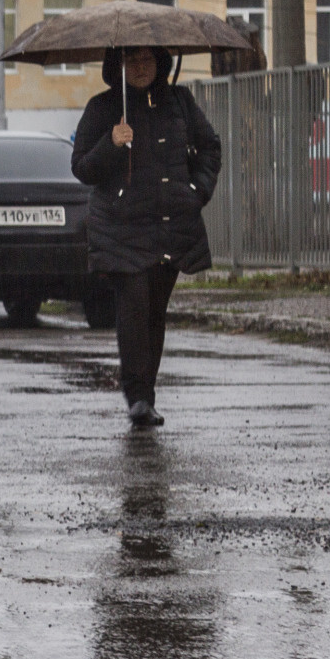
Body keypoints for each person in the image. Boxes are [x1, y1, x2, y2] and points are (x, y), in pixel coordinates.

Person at [70, 45, 220, 431]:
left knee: (154, 311)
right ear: (116, 65)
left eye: (147, 59)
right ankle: (138, 397)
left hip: (170, 223)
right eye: (131, 59)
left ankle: (145, 393)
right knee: (134, 308)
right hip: (121, 227)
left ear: (161, 63)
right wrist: (112, 144)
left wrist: (195, 190)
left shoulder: (180, 102)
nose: (140, 66)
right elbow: (83, 168)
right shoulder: (104, 107)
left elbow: (209, 146)